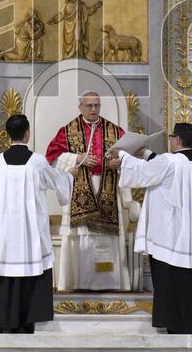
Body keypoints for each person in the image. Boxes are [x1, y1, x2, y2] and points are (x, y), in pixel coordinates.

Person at [108, 123, 192, 334]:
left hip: (170, 234)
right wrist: (145, 153)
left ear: (177, 140)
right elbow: (159, 165)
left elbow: (144, 174)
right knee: (191, 282)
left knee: (170, 281)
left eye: (172, 137)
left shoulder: (170, 161)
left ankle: (174, 323)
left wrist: (124, 156)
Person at [0, 114, 74, 333]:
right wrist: (69, 176)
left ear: (8, 134)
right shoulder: (37, 162)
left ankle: (6, 324)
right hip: (29, 233)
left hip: (5, 235)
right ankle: (28, 323)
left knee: (7, 276)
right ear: (27, 133)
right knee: (31, 273)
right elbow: (55, 182)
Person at [45, 91, 133, 291]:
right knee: (81, 237)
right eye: (89, 106)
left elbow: (130, 156)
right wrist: (76, 158)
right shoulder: (68, 131)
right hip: (80, 189)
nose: (93, 109)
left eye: (97, 105)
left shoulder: (113, 130)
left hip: (107, 188)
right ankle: (79, 282)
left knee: (106, 238)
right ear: (80, 107)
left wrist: (119, 162)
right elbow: (51, 157)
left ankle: (109, 282)